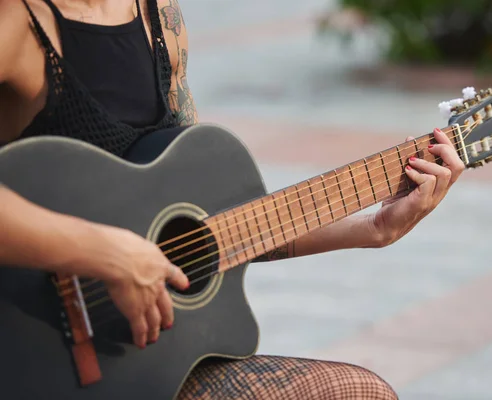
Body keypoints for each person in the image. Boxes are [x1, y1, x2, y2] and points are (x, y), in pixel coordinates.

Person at [0, 0, 465, 398]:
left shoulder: (158, 18)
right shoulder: (17, 20)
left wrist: (372, 230)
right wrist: (108, 255)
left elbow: (207, 224)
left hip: (145, 363)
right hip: (30, 360)